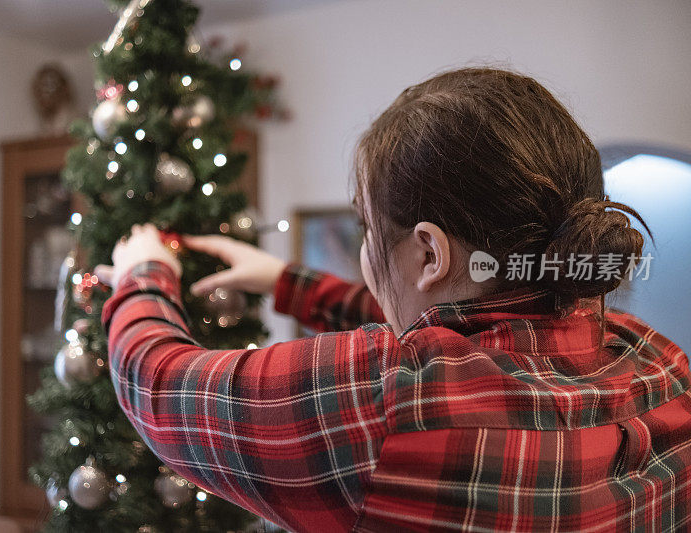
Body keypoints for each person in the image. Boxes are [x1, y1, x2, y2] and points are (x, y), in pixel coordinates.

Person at [93, 67, 691, 532]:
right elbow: (465, 337)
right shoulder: (661, 363)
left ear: (430, 254)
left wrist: (142, 272)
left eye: (367, 230)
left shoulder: (394, 401)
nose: (364, 249)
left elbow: (158, 383)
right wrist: (288, 283)